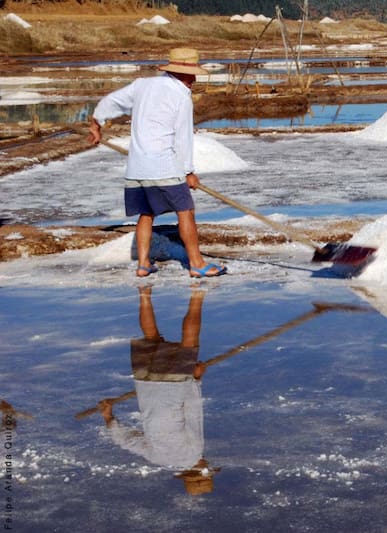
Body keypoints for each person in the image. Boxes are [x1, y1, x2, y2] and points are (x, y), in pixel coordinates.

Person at [87, 47, 226, 278]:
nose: (194, 79)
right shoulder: (180, 95)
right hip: (164, 165)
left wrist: (96, 123)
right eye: (192, 75)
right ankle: (197, 263)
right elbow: (182, 138)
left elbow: (110, 101)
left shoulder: (142, 85)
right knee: (186, 211)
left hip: (137, 166)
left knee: (147, 213)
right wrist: (188, 171)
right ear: (182, 73)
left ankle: (143, 264)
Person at [99, 286, 218, 495]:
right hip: (146, 384)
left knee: (189, 343)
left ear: (200, 471)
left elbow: (192, 412)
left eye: (208, 469)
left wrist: (196, 378)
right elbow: (123, 441)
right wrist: (108, 416)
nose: (208, 463)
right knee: (151, 337)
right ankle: (144, 293)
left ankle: (197, 293)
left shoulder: (194, 452)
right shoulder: (156, 457)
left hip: (175, 385)